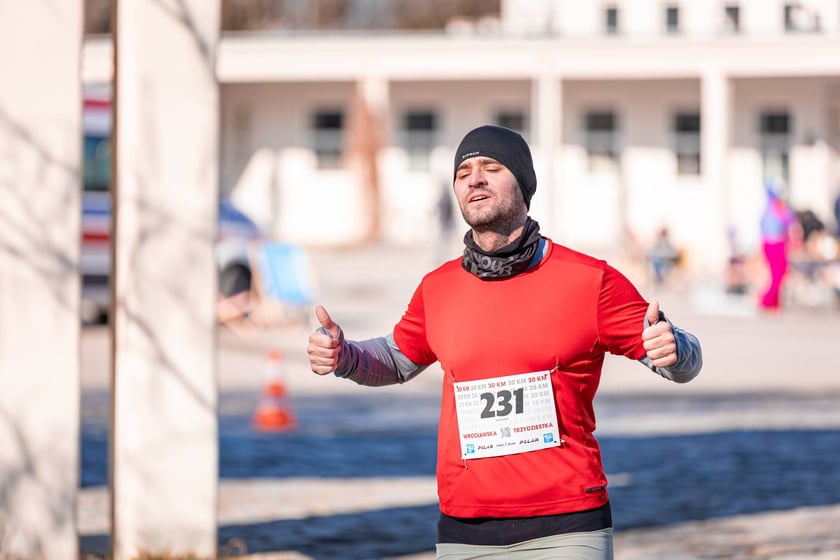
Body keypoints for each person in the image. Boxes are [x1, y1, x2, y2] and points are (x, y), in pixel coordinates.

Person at [307, 125, 703, 560]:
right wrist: (345, 356)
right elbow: (398, 358)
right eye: (463, 172)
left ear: (523, 184)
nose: (474, 178)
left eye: (491, 168)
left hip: (567, 526)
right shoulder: (437, 288)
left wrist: (676, 348)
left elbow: (680, 360)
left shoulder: (590, 280)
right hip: (465, 530)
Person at [758, 181, 797, 312]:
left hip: (778, 244)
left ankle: (774, 303)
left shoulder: (778, 209)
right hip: (773, 244)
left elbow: (790, 222)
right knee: (777, 275)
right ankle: (766, 301)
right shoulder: (773, 209)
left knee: (780, 274)